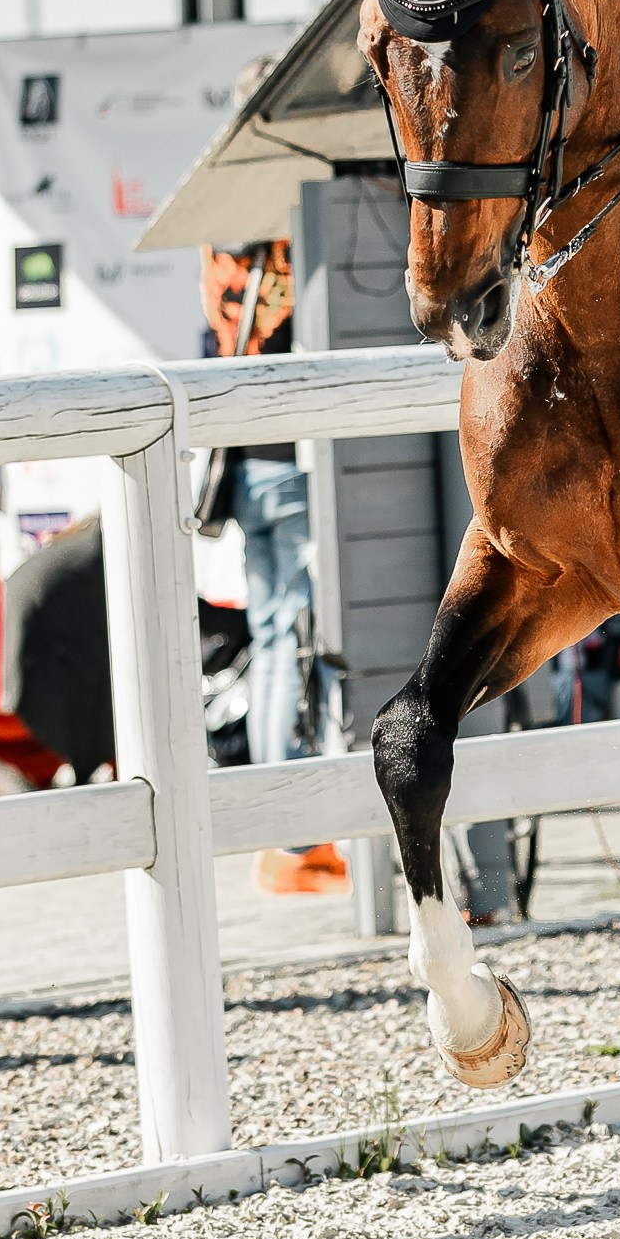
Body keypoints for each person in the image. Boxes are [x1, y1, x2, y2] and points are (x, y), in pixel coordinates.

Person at [198, 227, 347, 895]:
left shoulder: (216, 252)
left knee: (272, 641)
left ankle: (280, 830)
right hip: (291, 464)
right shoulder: (291, 244)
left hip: (244, 469)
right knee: (291, 641)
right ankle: (295, 839)